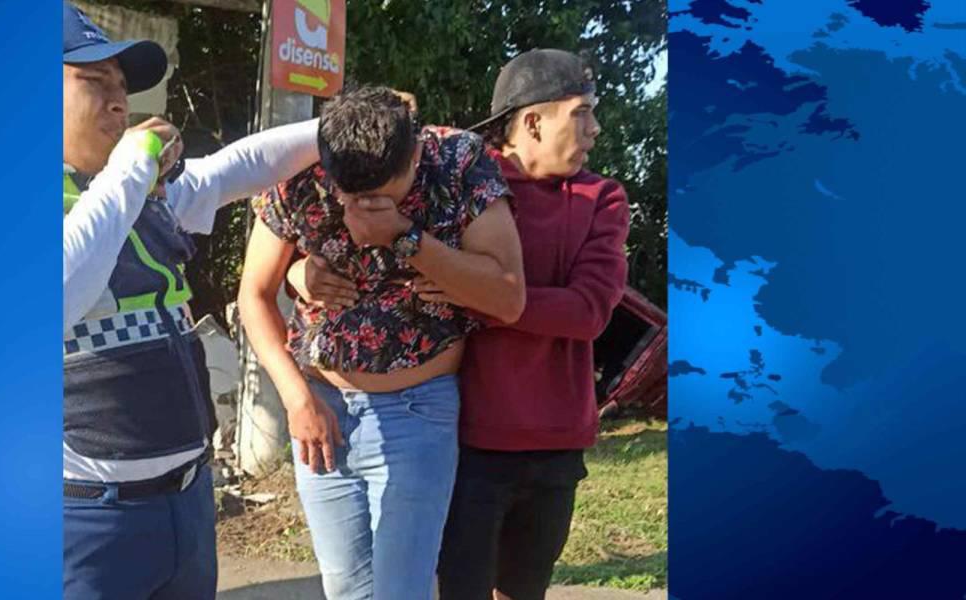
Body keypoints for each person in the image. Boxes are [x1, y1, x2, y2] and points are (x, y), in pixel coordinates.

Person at [290, 50, 631, 600]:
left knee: (524, 590)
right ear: (533, 121)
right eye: (582, 112)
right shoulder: (460, 175)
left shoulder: (601, 198)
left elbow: (589, 310)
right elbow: (365, 246)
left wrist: (479, 297)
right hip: (470, 433)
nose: (595, 128)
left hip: (556, 437)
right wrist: (298, 275)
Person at [61, 3, 320, 598]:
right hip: (86, 523)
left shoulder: (135, 191)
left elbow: (234, 168)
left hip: (188, 504)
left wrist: (333, 133)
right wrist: (131, 166)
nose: (120, 103)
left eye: (123, 87)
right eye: (94, 81)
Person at [238, 86, 526, 600]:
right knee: (346, 589)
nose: (358, 211)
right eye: (347, 195)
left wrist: (404, 236)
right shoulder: (298, 166)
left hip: (416, 413)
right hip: (320, 409)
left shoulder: (457, 162)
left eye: (379, 197)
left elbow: (508, 297)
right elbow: (253, 295)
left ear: (414, 154)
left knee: (400, 591)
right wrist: (297, 399)